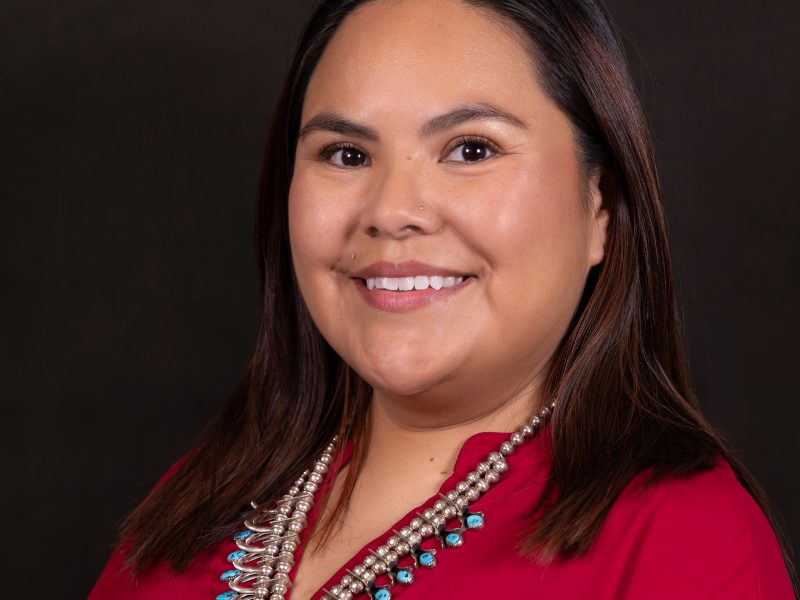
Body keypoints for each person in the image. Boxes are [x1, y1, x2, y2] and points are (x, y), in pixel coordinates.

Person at [89, 0, 796, 598]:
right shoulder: (192, 506)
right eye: (346, 154)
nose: (392, 210)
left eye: (471, 150)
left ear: (601, 208)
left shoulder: (684, 538)